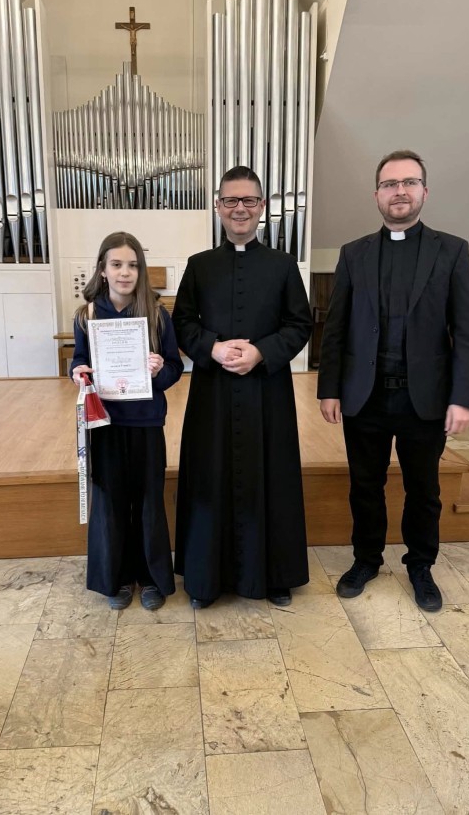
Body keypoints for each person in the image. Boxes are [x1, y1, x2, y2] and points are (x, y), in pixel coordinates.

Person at [317, 150, 469, 612]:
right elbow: (336, 327)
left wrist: (463, 397)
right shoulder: (353, 253)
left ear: (424, 191)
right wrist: (329, 388)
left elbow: (466, 331)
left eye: (409, 182)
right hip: (364, 394)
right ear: (377, 195)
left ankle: (421, 565)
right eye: (390, 184)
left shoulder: (452, 250)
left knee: (424, 490)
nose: (400, 191)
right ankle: (366, 559)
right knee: (364, 485)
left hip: (423, 397)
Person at [172, 165, 313, 608]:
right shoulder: (199, 266)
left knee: (272, 476)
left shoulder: (283, 265)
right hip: (212, 393)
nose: (240, 209)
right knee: (210, 476)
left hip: (266, 393)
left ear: (262, 207)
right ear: (218, 206)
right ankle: (205, 579)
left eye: (248, 200)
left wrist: (261, 352)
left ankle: (274, 575)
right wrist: (212, 348)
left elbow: (300, 323)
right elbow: (182, 322)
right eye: (231, 200)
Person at [71, 231, 183, 611]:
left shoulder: (157, 314)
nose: (125, 272)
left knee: (149, 501)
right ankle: (116, 577)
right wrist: (77, 372)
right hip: (105, 423)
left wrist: (159, 370)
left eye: (133, 265)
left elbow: (175, 368)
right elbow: (79, 360)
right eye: (117, 264)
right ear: (102, 269)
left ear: (141, 270)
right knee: (110, 502)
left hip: (146, 422)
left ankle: (151, 577)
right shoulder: (86, 315)